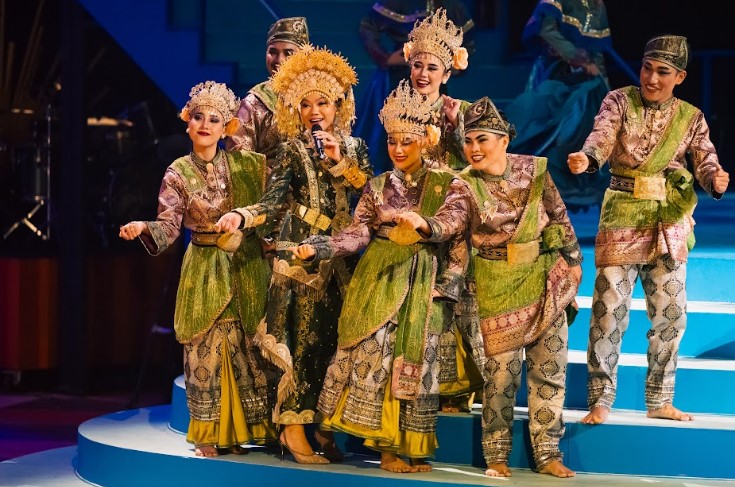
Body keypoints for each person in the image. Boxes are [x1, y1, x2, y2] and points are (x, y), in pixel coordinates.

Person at [396, 96, 583, 477]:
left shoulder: (535, 170)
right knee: (500, 377)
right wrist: (425, 224)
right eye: (468, 141)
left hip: (544, 279)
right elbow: (450, 221)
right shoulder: (463, 184)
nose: (474, 148)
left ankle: (548, 454)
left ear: (504, 141)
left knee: (550, 370)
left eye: (482, 139)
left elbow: (559, 215)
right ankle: (496, 454)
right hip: (496, 286)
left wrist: (575, 262)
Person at [293, 79, 465, 473]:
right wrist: (320, 248)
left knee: (414, 361)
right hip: (379, 277)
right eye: (392, 142)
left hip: (423, 278)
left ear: (426, 140)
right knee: (374, 355)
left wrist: (425, 228)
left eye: (407, 142)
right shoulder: (377, 186)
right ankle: (381, 446)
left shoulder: (448, 184)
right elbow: (357, 233)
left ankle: (409, 446)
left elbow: (456, 228)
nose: (399, 149)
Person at [218, 45, 373, 464]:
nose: (314, 112)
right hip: (300, 255)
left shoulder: (356, 147)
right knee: (304, 341)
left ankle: (324, 426)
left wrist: (340, 160)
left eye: (322, 103)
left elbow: (371, 195)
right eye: (305, 104)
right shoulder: (291, 149)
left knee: (337, 342)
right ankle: (292, 428)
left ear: (338, 105)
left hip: (345, 257)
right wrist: (242, 215)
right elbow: (272, 202)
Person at [567, 34, 730, 425]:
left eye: (663, 72)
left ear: (680, 77)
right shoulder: (619, 101)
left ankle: (660, 399)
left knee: (671, 314)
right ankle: (600, 399)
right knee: (608, 311)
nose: (652, 79)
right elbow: (601, 137)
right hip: (623, 214)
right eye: (647, 68)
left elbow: (705, 160)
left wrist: (714, 178)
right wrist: (588, 158)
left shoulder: (690, 117)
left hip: (669, 220)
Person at [119, 81, 276, 457]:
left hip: (245, 264)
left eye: (215, 119)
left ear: (227, 128)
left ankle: (237, 432)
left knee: (243, 347)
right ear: (187, 123)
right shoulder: (177, 173)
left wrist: (245, 218)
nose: (206, 125)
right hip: (204, 267)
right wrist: (143, 228)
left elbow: (271, 207)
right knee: (204, 349)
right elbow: (169, 227)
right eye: (199, 117)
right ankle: (207, 433)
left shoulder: (248, 165)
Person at [504, 0, 613, 212]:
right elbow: (547, 31)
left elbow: (597, 50)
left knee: (590, 127)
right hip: (556, 74)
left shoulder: (597, 5)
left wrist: (605, 89)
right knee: (554, 127)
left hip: (589, 78)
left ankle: (580, 187)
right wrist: (575, 56)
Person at [356, 3, 474, 173]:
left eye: (432, 68)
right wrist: (385, 57)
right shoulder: (395, 112)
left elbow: (472, 163)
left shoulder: (460, 111)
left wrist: (456, 125)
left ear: (446, 75)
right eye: (417, 66)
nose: (423, 74)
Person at [226, 16, 310, 166]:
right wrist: (275, 176)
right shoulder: (254, 103)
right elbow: (237, 154)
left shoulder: (319, 98)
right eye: (273, 52)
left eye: (288, 53)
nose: (280, 60)